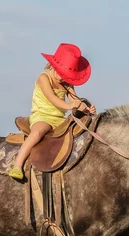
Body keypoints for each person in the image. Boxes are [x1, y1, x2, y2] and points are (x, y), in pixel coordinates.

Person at [8, 43, 96, 180]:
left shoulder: (67, 83)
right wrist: (70, 106)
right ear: (54, 66)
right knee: (37, 133)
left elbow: (75, 100)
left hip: (60, 120)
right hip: (43, 116)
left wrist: (85, 108)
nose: (63, 78)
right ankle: (17, 165)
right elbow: (52, 98)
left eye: (67, 76)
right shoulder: (44, 78)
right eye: (62, 74)